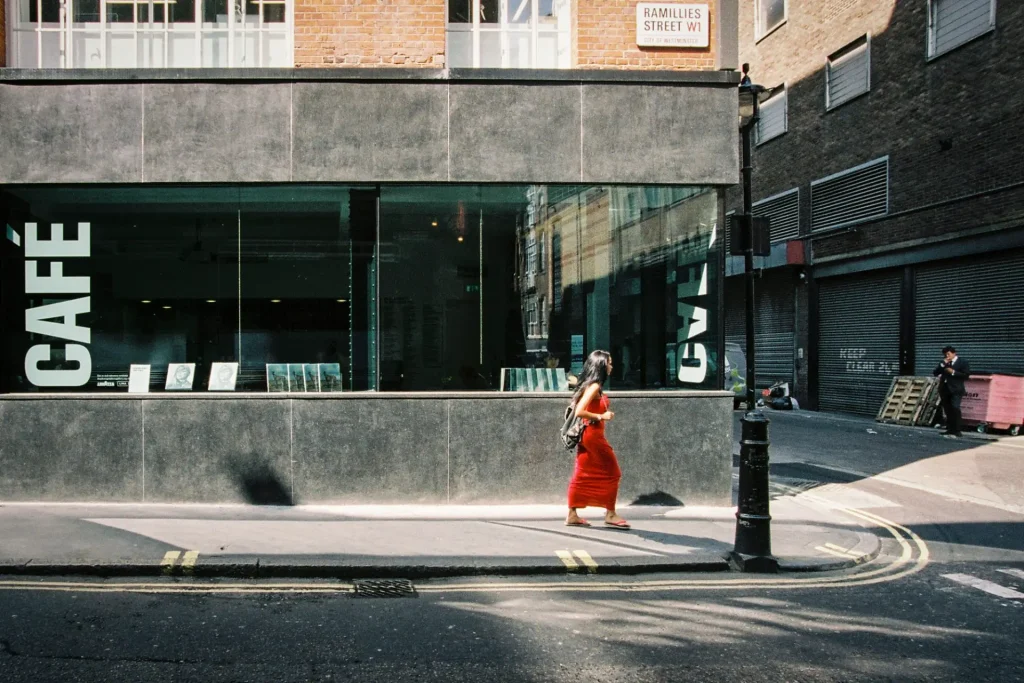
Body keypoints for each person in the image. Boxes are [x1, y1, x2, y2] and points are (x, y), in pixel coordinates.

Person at [565, 350, 630, 530]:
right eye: (609, 363)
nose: (611, 366)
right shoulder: (593, 386)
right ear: (601, 365)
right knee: (613, 472)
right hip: (593, 434)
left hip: (588, 435)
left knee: (582, 472)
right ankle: (610, 514)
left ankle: (572, 514)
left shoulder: (592, 385)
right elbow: (579, 411)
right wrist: (602, 416)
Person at [933, 345, 970, 438]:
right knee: (947, 409)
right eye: (945, 354)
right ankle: (950, 429)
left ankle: (957, 430)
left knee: (955, 408)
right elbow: (935, 373)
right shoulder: (944, 363)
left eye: (948, 354)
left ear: (954, 353)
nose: (947, 356)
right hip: (945, 389)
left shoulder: (962, 362)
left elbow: (966, 375)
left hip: (956, 389)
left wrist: (953, 372)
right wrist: (942, 364)